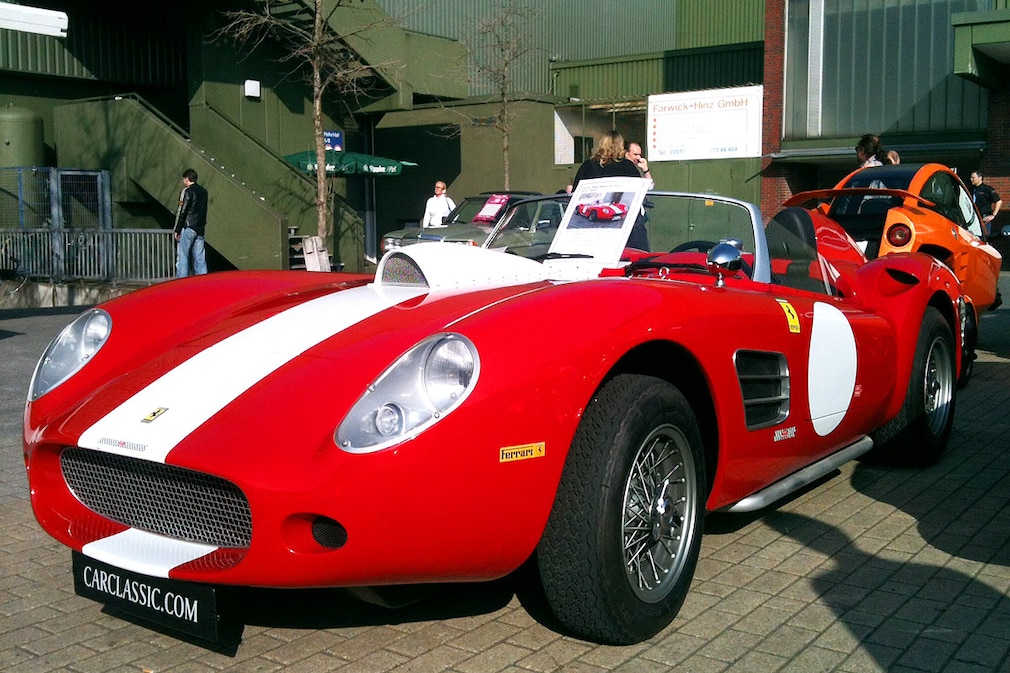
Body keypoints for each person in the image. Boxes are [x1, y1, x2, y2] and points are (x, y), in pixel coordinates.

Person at [572, 130, 641, 189]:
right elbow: (639, 189)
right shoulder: (628, 166)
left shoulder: (588, 165)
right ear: (621, 145)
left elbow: (576, 190)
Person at [173, 168, 208, 277]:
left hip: (188, 227)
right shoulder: (204, 192)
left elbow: (182, 211)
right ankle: (203, 282)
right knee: (200, 258)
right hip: (200, 227)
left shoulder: (187, 191)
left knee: (183, 256)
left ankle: (181, 283)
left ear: (187, 179)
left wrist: (177, 229)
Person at [970, 171, 1002, 237]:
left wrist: (993, 215)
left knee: (984, 238)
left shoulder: (987, 189)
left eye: (973, 177)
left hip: (984, 219)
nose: (971, 179)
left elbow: (998, 202)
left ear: (980, 178)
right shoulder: (972, 189)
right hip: (973, 218)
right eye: (971, 177)